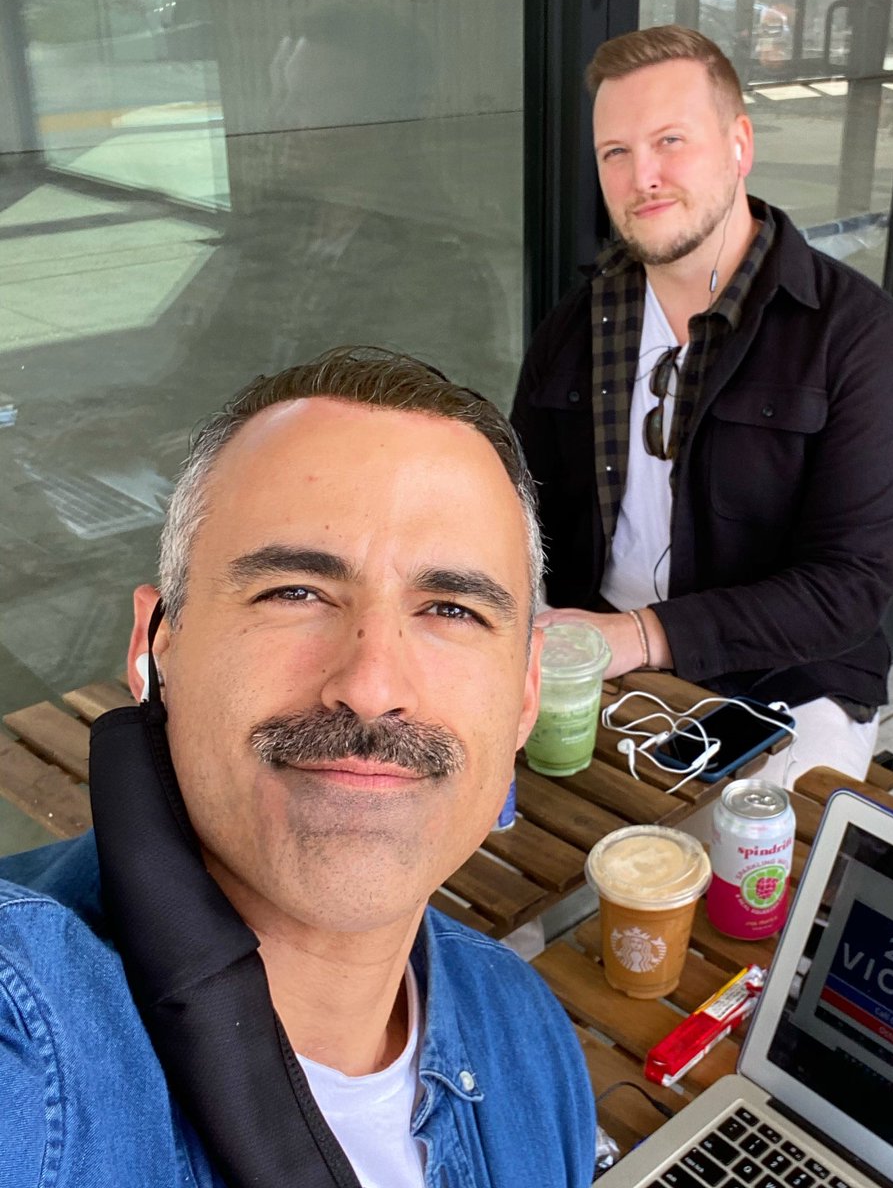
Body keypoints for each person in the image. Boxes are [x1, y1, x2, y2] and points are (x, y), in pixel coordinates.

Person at [0, 348, 595, 1187]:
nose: (372, 686)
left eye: (451, 609)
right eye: (294, 592)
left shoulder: (528, 1038)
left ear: (527, 691)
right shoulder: (25, 1030)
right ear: (153, 649)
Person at [511, 25, 893, 782]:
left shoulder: (856, 334)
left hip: (786, 680)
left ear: (740, 144)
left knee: (748, 873)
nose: (644, 177)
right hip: (592, 652)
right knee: (474, 835)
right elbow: (518, 505)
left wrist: (643, 635)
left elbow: (848, 589)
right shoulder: (580, 321)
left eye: (671, 141)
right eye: (616, 153)